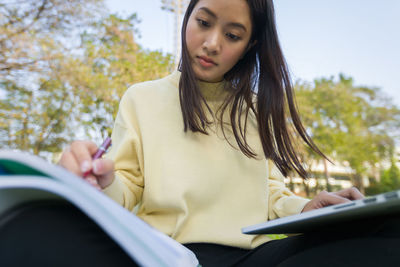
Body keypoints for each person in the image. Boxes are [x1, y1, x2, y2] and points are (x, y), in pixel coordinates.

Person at [57, 0, 400, 266]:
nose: (211, 43)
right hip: (169, 256)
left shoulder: (255, 108)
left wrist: (308, 209)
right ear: (188, 16)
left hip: (253, 257)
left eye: (232, 35)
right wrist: (100, 182)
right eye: (203, 23)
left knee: (387, 230)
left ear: (249, 45)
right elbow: (126, 189)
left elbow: (271, 196)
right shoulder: (141, 97)